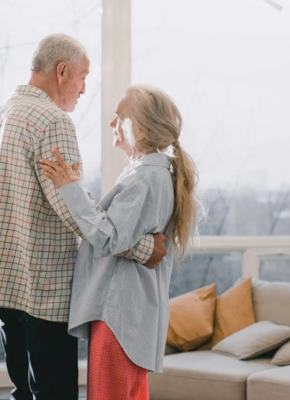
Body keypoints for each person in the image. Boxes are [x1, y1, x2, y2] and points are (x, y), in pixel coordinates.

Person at [0, 34, 167, 400]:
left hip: (9, 287)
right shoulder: (52, 121)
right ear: (62, 72)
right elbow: (73, 208)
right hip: (46, 291)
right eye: (82, 77)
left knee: (22, 392)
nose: (84, 89)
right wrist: (144, 249)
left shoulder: (8, 112)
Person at [40, 84, 198, 400]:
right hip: (129, 317)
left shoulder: (145, 178)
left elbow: (110, 237)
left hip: (119, 316)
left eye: (119, 117)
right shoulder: (150, 174)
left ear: (140, 128)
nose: (113, 124)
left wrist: (71, 188)